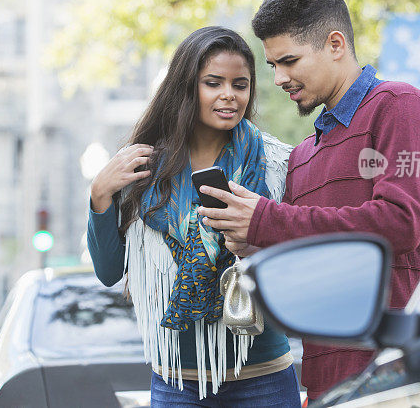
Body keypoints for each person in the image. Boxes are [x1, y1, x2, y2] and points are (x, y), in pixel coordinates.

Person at [197, 0, 420, 400]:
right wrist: (251, 242)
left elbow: (400, 223)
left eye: (289, 61)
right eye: (273, 65)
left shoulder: (401, 107)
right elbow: (306, 260)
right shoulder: (303, 155)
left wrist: (266, 219)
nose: (278, 78)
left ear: (336, 45)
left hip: (398, 375)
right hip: (323, 382)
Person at [86, 26, 302, 406]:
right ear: (187, 87)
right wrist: (100, 194)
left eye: (240, 84)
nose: (229, 95)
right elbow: (108, 272)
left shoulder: (276, 164)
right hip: (176, 381)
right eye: (213, 82)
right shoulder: (140, 169)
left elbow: (296, 272)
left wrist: (256, 246)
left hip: (264, 375)